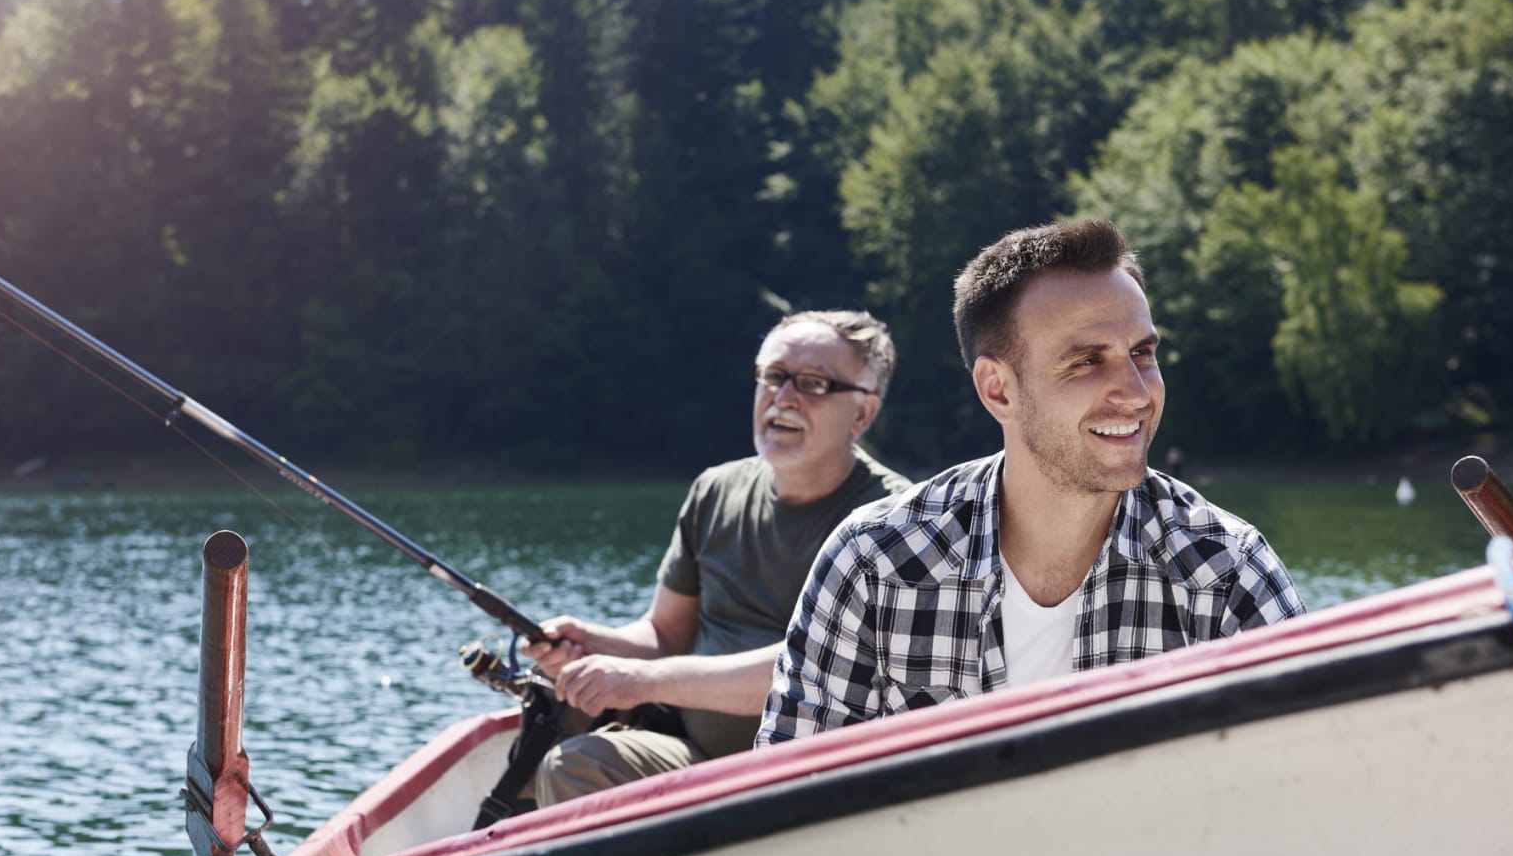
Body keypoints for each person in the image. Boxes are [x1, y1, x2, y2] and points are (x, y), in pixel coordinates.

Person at [757, 219, 1304, 745]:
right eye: (1087, 361)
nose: (1137, 393)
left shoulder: (1225, 569)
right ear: (998, 390)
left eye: (1142, 354)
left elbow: (1313, 774)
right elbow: (785, 786)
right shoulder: (876, 560)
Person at [523, 310, 911, 804]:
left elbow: (809, 672)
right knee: (573, 768)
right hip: (699, 758)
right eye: (772, 376)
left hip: (816, 780)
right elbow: (665, 634)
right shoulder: (715, 491)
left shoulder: (894, 521)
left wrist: (642, 681)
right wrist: (594, 644)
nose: (783, 397)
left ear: (862, 414)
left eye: (813, 383)